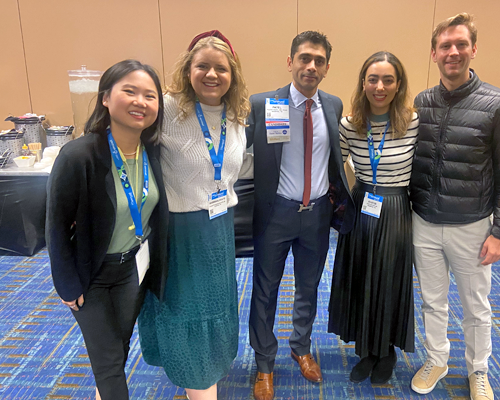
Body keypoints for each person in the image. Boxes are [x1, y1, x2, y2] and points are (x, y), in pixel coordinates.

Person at [409, 13, 500, 400]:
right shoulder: (422, 101)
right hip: (424, 221)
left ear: (473, 49)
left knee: (476, 307)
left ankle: (478, 370)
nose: (453, 52)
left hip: (473, 226)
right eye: (445, 46)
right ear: (434, 53)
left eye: (461, 44)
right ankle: (437, 359)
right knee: (431, 301)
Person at [137, 30, 252, 400]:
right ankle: (197, 378)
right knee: (186, 306)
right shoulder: (167, 109)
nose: (211, 74)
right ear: (188, 69)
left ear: (232, 74)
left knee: (216, 305)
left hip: (218, 230)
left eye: (221, 68)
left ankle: (203, 373)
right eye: (202, 66)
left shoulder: (236, 116)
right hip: (179, 231)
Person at [46, 59, 168, 400]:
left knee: (120, 346)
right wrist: (67, 285)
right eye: (129, 91)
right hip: (91, 276)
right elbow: (54, 227)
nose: (140, 102)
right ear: (105, 98)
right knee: (110, 364)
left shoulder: (154, 152)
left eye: (150, 95)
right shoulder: (78, 156)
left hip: (133, 269)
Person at [246, 31, 355, 400]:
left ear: (326, 68)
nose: (311, 66)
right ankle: (264, 364)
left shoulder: (334, 105)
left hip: (318, 214)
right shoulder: (262, 105)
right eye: (304, 58)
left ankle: (301, 346)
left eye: (319, 60)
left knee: (308, 286)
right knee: (266, 290)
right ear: (289, 61)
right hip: (276, 212)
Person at [328, 51, 419, 384]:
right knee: (362, 278)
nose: (379, 86)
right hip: (362, 203)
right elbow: (334, 166)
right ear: (363, 83)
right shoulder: (350, 124)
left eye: (388, 80)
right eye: (373, 79)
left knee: (389, 280)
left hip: (395, 208)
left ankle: (387, 351)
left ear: (398, 85)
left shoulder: (412, 122)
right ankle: (366, 350)